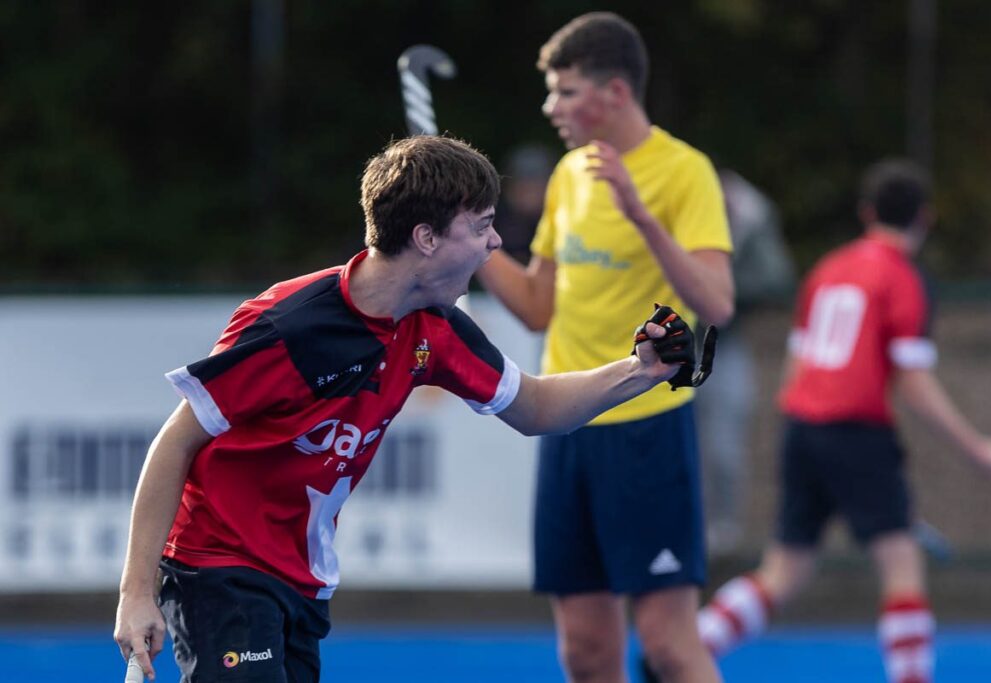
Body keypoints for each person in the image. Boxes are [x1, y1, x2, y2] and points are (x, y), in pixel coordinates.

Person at [112, 135, 700, 683]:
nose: (496, 243)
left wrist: (642, 370)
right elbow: (177, 439)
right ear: (426, 238)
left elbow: (537, 407)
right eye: (483, 226)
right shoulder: (290, 327)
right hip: (218, 564)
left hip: (301, 579)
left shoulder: (435, 329)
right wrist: (136, 592)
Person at [476, 12, 734, 683]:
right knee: (586, 652)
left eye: (564, 91)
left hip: (647, 427)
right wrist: (471, 240)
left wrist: (641, 215)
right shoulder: (567, 176)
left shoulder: (684, 172)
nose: (550, 106)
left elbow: (718, 303)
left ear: (615, 92)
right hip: (568, 424)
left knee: (669, 646)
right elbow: (537, 306)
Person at [696, 159, 991, 683]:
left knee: (785, 570)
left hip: (802, 425)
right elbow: (912, 382)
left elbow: (797, 365)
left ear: (867, 213)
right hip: (856, 430)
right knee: (901, 563)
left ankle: (688, 646)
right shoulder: (904, 279)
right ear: (926, 219)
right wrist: (977, 449)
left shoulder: (829, 268)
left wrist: (803, 431)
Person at [699, 169, 795, 554]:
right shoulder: (664, 210)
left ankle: (724, 535)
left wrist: (725, 292)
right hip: (666, 348)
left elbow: (777, 279)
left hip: (723, 346)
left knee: (724, 446)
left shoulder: (751, 217)